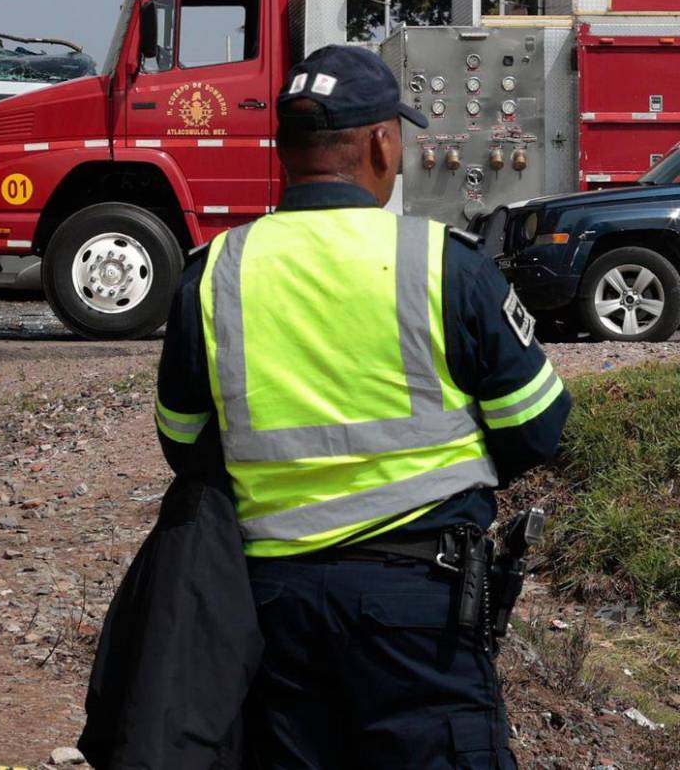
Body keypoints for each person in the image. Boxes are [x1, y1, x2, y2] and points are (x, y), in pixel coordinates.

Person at [153, 45, 571, 769]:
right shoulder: (443, 261)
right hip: (420, 605)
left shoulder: (216, 272)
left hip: (271, 608)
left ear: (287, 151)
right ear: (382, 142)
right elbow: (537, 428)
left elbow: (185, 443)